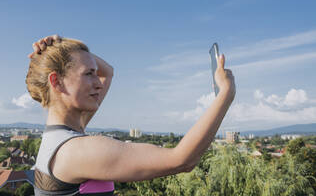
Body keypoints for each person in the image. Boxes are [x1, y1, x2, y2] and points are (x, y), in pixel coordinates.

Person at [27, 35, 235, 196]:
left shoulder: (59, 139)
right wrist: (226, 93)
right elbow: (182, 160)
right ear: (56, 82)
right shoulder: (76, 151)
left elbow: (108, 72)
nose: (99, 82)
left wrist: (62, 45)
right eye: (88, 73)